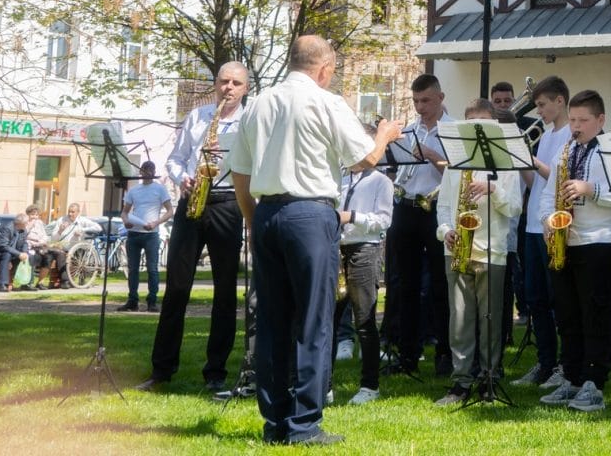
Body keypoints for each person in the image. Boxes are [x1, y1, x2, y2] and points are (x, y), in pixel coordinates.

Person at [228, 34, 401, 447]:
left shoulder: (260, 102)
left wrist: (254, 222)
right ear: (324, 69)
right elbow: (364, 159)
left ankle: (275, 422)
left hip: (267, 211)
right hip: (310, 213)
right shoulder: (327, 102)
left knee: (271, 321)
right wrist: (385, 134)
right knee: (313, 321)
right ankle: (305, 424)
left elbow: (239, 172)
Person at [141, 61, 250, 392]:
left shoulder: (250, 122)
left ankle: (215, 372)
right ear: (216, 84)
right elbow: (175, 158)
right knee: (176, 288)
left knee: (225, 290)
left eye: (235, 83)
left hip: (228, 202)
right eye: (223, 82)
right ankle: (162, 370)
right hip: (192, 200)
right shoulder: (198, 116)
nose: (228, 88)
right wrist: (181, 177)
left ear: (245, 88)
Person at [539, 89, 611, 413]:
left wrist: (592, 190)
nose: (575, 126)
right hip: (567, 242)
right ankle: (573, 376)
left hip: (600, 242)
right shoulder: (564, 152)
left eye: (583, 120)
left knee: (597, 315)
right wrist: (548, 218)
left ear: (601, 120)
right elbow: (546, 195)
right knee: (568, 314)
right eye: (573, 120)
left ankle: (595, 381)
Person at [434, 99, 522, 406]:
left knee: (490, 319)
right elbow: (443, 205)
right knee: (459, 318)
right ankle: (460, 382)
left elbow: (514, 208)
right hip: (458, 247)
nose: (477, 131)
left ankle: (489, 378)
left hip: (492, 250)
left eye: (483, 124)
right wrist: (445, 230)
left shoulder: (505, 161)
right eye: (471, 125)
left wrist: (492, 189)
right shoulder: (456, 163)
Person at [384, 73, 452, 377]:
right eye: (416, 101)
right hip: (407, 206)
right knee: (404, 284)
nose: (420, 107)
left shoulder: (453, 131)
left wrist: (433, 156)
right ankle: (407, 353)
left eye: (425, 100)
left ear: (440, 98)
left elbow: (458, 174)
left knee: (440, 284)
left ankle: (444, 353)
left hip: (436, 208)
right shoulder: (409, 130)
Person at [511, 76, 571, 389]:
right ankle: (545, 362)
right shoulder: (546, 134)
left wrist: (530, 159)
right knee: (534, 298)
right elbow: (538, 184)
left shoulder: (569, 135)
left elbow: (559, 180)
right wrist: (523, 163)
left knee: (555, 299)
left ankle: (563, 365)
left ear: (560, 101)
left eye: (543, 105)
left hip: (552, 227)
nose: (540, 112)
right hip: (533, 221)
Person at [335, 121, 395, 406]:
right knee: (329, 321)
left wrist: (352, 217)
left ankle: (369, 385)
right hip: (336, 250)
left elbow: (383, 221)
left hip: (364, 251)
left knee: (364, 320)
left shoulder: (381, 181)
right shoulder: (340, 177)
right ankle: (324, 384)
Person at [120, 160, 173, 312]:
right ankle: (132, 300)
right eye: (145, 169)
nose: (147, 172)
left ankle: (152, 301)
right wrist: (125, 221)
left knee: (152, 269)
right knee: (133, 269)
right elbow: (125, 211)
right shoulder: (133, 190)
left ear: (154, 171)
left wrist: (156, 222)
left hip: (151, 234)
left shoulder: (160, 189)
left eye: (150, 169)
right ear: (141, 171)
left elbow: (170, 211)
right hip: (134, 232)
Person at [0, 212, 31, 293]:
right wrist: (18, 254)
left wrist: (24, 253)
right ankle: (3, 284)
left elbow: (24, 243)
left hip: (12, 253)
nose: (28, 224)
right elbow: (3, 246)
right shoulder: (6, 228)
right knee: (7, 255)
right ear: (21, 223)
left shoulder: (23, 230)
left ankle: (26, 284)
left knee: (30, 256)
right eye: (27, 222)